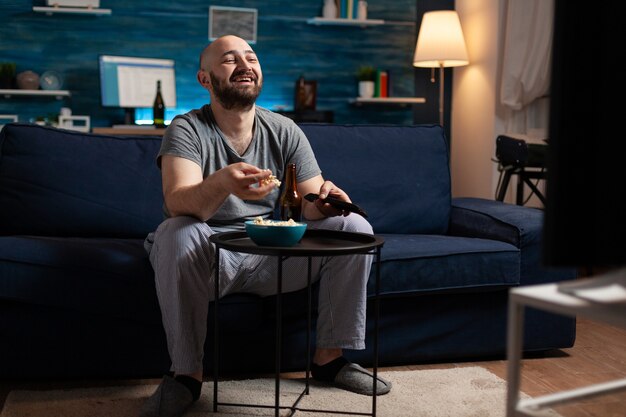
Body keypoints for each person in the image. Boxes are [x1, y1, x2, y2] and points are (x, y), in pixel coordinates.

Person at [139, 35, 391, 417]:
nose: (244, 64)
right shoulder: (187, 129)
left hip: (272, 255)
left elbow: (307, 204)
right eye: (229, 59)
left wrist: (325, 201)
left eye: (251, 57)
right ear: (205, 79)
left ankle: (329, 360)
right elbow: (178, 202)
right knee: (176, 231)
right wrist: (223, 181)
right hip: (211, 258)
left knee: (353, 225)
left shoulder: (284, 129)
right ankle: (186, 376)